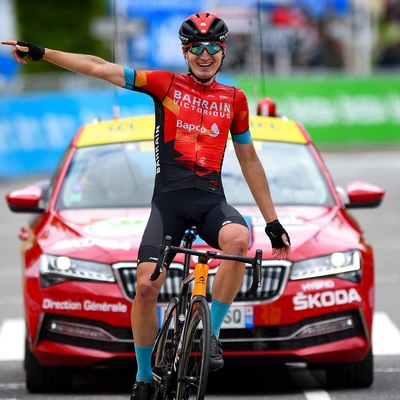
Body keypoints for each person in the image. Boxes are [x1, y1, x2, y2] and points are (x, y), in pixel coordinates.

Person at [2, 12, 291, 400]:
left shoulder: (235, 99)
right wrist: (42, 53)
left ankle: (212, 337)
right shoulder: (164, 84)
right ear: (185, 51)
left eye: (212, 47)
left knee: (239, 241)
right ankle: (142, 375)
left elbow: (250, 160)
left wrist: (273, 222)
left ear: (223, 50)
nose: (204, 55)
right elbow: (100, 67)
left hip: (210, 203)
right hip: (168, 203)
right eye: (195, 48)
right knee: (145, 287)